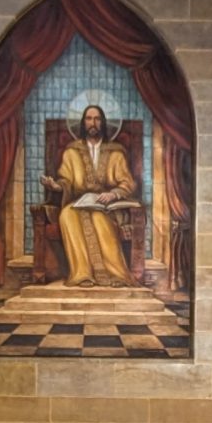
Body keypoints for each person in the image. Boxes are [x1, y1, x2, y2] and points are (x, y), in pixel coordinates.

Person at [43, 103, 140, 287]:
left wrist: (113, 194)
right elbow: (66, 180)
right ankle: (82, 275)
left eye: (97, 119)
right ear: (83, 123)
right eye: (89, 119)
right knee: (67, 215)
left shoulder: (116, 152)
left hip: (107, 206)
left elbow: (127, 183)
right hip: (78, 203)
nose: (93, 123)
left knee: (98, 218)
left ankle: (116, 275)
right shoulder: (72, 151)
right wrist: (56, 186)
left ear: (103, 122)